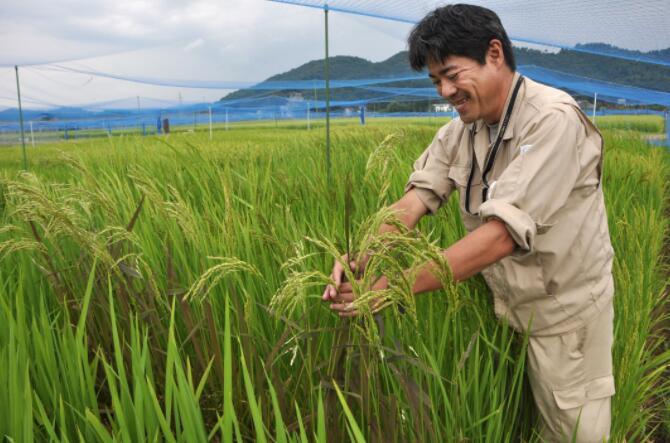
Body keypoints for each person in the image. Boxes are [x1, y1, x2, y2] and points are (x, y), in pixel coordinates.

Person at [321, 4, 615, 442]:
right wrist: (363, 257)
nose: (444, 91)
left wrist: (393, 287)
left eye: (452, 74)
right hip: (502, 308)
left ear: (494, 54)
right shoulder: (461, 130)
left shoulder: (552, 120)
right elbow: (416, 200)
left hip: (562, 317)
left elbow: (499, 236)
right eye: (436, 80)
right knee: (511, 423)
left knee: (572, 432)